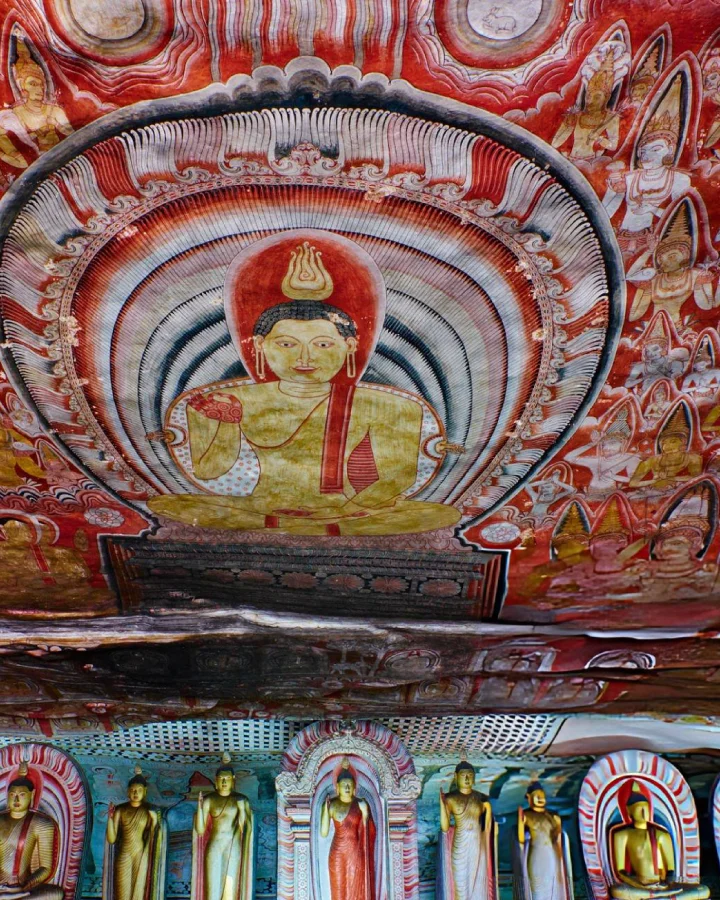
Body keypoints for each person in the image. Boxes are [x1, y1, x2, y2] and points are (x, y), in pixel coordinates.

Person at [149, 231, 461, 536]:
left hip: (349, 512)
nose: (305, 358)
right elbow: (209, 472)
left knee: (436, 513)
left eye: (323, 345)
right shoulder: (228, 400)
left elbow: (396, 479)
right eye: (286, 344)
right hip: (261, 509)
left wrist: (341, 510)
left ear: (350, 346)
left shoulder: (392, 406)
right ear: (259, 344)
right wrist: (228, 424)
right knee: (171, 505)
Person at [609, 786, 709, 900]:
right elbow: (621, 872)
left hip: (663, 886)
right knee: (617, 890)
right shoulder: (622, 835)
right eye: (638, 808)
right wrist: (638, 884)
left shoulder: (661, 835)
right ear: (628, 810)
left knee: (703, 890)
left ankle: (661, 895)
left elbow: (671, 869)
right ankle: (660, 896)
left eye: (646, 808)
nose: (643, 811)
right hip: (640, 886)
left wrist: (667, 883)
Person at [0, 40, 72, 170]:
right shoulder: (13, 115)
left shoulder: (55, 111)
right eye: (32, 84)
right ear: (21, 87)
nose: (39, 89)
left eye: (41, 84)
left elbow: (75, 139)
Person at [0, 763, 63, 900]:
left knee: (56, 894)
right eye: (12, 795)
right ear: (7, 795)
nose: (16, 799)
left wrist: (24, 886)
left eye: (22, 794)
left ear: (32, 794)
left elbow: (45, 868)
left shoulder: (42, 823)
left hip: (25, 888)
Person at [192, 757, 253, 900]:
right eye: (221, 779)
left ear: (233, 779)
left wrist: (242, 810)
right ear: (216, 780)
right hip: (215, 845)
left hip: (233, 845)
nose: (224, 782)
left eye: (227, 779)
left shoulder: (241, 800)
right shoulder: (209, 800)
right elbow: (200, 830)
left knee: (230, 887)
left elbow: (246, 829)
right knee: (212, 889)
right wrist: (200, 809)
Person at [438, 760, 495, 900]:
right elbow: (444, 828)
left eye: (470, 775)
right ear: (456, 776)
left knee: (478, 882)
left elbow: (487, 830)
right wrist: (442, 804)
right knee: (461, 883)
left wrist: (488, 809)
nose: (467, 778)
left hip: (478, 843)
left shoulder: (482, 798)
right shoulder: (450, 798)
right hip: (460, 844)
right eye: (463, 775)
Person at [104, 768, 163, 900]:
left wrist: (154, 821)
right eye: (133, 790)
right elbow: (111, 839)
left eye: (139, 790)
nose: (135, 793)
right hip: (124, 853)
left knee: (139, 892)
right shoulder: (120, 810)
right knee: (122, 894)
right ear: (128, 792)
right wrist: (110, 818)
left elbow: (154, 838)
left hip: (140, 854)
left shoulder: (148, 810)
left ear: (145, 792)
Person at [319, 761, 375, 900]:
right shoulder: (331, 805)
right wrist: (325, 810)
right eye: (344, 784)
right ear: (337, 787)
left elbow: (369, 831)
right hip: (337, 851)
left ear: (355, 786)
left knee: (355, 885)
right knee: (338, 888)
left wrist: (365, 814)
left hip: (355, 851)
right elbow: (324, 832)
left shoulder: (360, 803)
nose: (347, 787)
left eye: (350, 784)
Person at [515, 782, 572, 900]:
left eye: (542, 795)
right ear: (529, 797)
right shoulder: (527, 815)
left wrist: (558, 825)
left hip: (551, 853)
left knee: (553, 885)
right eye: (537, 795)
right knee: (538, 887)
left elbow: (558, 838)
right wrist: (520, 822)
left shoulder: (552, 815)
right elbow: (520, 839)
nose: (541, 798)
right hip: (536, 853)